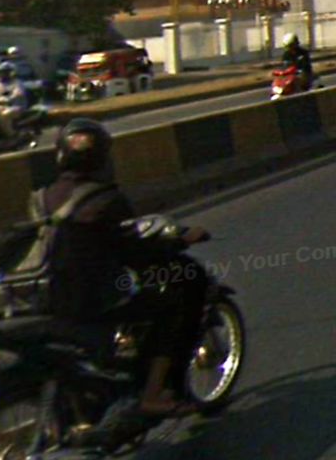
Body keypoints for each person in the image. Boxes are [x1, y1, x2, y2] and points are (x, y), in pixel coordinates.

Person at [30, 118, 209, 421]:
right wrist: (176, 244)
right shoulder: (107, 198)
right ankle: (152, 395)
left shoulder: (39, 198)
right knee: (170, 307)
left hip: (44, 292)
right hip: (91, 295)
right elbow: (132, 252)